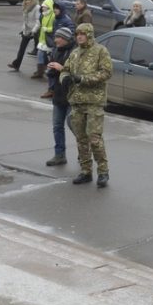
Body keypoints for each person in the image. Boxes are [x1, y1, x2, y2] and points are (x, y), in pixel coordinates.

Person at [53, 23, 113, 186]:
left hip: (94, 101)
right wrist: (64, 77)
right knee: (81, 138)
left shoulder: (101, 51)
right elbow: (65, 69)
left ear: (89, 35)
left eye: (82, 34)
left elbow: (106, 72)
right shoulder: (74, 53)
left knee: (94, 138)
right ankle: (86, 171)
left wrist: (83, 79)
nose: (79, 36)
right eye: (77, 34)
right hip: (77, 101)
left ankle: (103, 171)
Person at [43, 27, 75, 167]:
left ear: (66, 38)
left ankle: (84, 153)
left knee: (74, 126)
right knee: (57, 126)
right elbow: (53, 73)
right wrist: (50, 70)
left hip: (72, 96)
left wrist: (61, 68)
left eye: (59, 37)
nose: (56, 40)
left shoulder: (74, 52)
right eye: (56, 37)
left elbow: (77, 75)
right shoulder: (56, 50)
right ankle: (59, 155)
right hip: (58, 94)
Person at [9, 0, 40, 71]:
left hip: (36, 31)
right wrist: (23, 30)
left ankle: (42, 70)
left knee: (42, 51)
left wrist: (34, 31)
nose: (27, 1)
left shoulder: (37, 7)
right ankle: (16, 65)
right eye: (25, 0)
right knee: (22, 48)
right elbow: (25, 21)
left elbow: (38, 21)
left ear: (32, 0)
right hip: (27, 31)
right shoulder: (25, 7)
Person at [34, 0, 56, 83]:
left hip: (50, 40)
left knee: (50, 56)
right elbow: (40, 25)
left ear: (49, 7)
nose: (43, 8)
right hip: (42, 40)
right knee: (40, 54)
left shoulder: (53, 16)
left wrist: (47, 29)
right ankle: (40, 71)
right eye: (42, 7)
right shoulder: (43, 15)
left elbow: (55, 28)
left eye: (44, 7)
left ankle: (48, 71)